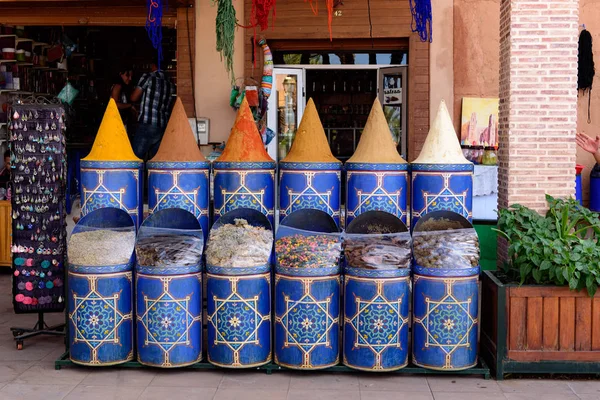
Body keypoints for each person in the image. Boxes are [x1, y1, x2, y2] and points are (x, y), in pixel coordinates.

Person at [130, 61, 175, 160]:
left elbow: (134, 97)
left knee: (135, 160)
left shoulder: (148, 77)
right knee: (155, 162)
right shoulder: (170, 83)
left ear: (153, 65)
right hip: (162, 126)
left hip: (147, 124)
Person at [110, 65, 136, 132]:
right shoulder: (117, 86)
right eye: (127, 75)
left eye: (131, 76)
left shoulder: (123, 87)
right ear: (120, 74)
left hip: (120, 121)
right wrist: (130, 105)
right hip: (116, 122)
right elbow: (114, 104)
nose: (130, 78)